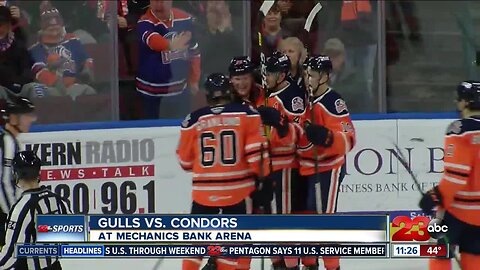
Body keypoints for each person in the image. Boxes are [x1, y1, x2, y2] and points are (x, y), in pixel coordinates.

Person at [176, 73, 272, 270]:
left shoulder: (192, 120)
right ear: (230, 92)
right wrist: (264, 182)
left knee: (196, 247)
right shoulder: (248, 114)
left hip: (203, 195)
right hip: (238, 193)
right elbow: (256, 157)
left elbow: (185, 163)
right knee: (231, 249)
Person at [297, 55, 356, 270]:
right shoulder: (304, 97)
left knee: (324, 219)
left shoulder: (333, 102)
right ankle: (310, 264)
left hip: (327, 168)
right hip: (304, 167)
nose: (307, 78)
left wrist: (327, 137)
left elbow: (349, 138)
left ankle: (332, 266)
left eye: (311, 75)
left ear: (325, 77)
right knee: (306, 217)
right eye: (306, 74)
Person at [419, 81, 480, 270]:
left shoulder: (459, 129)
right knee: (474, 256)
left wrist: (434, 196)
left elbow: (456, 176)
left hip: (456, 211)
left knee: (438, 252)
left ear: (465, 102)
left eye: (459, 98)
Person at [262, 52, 308, 270]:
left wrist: (280, 123)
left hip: (287, 168)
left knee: (285, 220)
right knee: (271, 219)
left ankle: (291, 266)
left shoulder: (292, 96)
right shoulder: (272, 93)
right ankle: (278, 264)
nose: (266, 76)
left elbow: (300, 133)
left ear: (281, 75)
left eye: (270, 73)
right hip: (269, 167)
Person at [0, 150, 70, 269]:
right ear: (38, 172)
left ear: (16, 174)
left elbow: (10, 255)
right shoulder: (56, 199)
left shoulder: (22, 208)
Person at [136, 0, 201, 119]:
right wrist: (171, 45)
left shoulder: (185, 19)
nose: (158, 5)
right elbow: (152, 40)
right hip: (151, 94)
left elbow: (194, 51)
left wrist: (194, 79)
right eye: (155, 1)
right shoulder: (144, 22)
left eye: (162, 1)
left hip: (180, 91)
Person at [0, 96, 36, 246]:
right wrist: (13, 216)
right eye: (26, 116)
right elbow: (3, 182)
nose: (31, 120)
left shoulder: (10, 141)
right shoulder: (7, 142)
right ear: (14, 118)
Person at [0, 5, 33, 97]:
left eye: (4, 24)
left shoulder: (19, 45)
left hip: (17, 90)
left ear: (10, 25)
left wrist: (16, 83)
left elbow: (27, 71)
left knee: (34, 88)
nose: (1, 28)